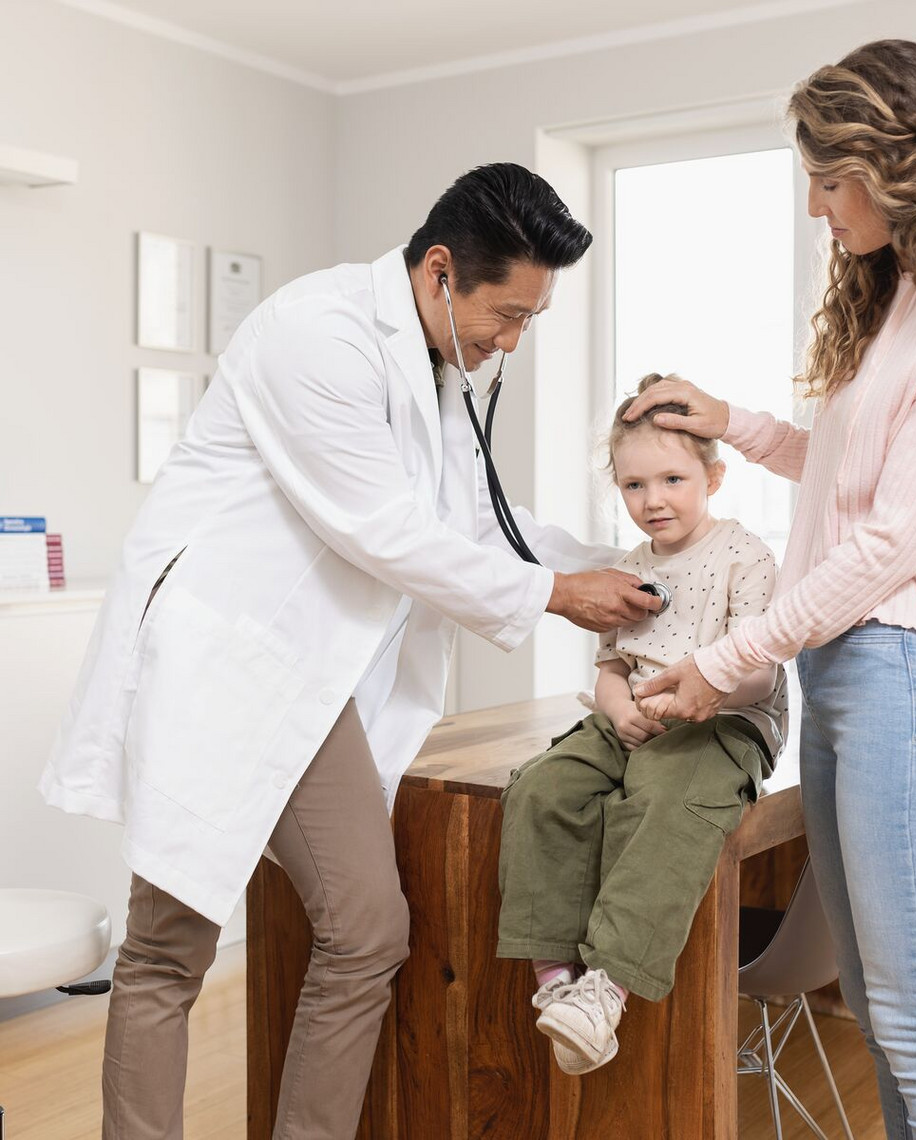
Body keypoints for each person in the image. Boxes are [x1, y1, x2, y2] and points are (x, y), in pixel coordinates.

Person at [39, 163, 660, 1139]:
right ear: (442, 272)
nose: (511, 343)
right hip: (225, 663)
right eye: (508, 315)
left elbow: (481, 519)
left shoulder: (436, 369)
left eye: (532, 322)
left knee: (367, 931)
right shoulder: (315, 333)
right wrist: (556, 595)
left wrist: (627, 563)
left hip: (307, 684)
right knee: (169, 950)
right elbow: (387, 531)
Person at [626, 41, 916, 1140]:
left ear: (895, 165)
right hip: (853, 681)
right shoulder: (904, 305)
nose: (815, 208)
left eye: (828, 181)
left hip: (908, 685)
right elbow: (836, 475)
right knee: (884, 1017)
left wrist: (725, 663)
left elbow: (882, 548)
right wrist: (720, 419)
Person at [496, 372, 788, 1074]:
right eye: (634, 486)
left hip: (723, 720)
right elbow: (610, 666)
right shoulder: (628, 567)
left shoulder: (742, 554)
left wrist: (701, 689)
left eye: (672, 480)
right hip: (633, 721)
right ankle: (554, 983)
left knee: (662, 796)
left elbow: (762, 669)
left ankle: (609, 987)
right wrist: (620, 710)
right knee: (541, 788)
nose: (653, 499)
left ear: (713, 478)